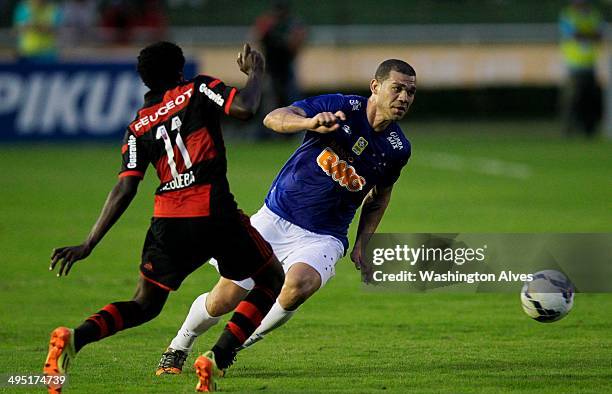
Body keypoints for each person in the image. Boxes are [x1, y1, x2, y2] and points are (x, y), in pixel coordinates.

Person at [44, 41, 285, 393]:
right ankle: (216, 359)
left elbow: (124, 190)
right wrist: (257, 71)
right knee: (270, 279)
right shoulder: (198, 88)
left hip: (168, 221)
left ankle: (74, 339)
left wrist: (89, 243)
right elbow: (246, 108)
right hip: (214, 211)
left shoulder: (138, 127)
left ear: (145, 81)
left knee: (144, 304)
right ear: (179, 69)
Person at [156, 59, 416, 375]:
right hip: (276, 217)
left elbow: (380, 196)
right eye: (397, 88)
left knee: (298, 285)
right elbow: (274, 118)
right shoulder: (340, 106)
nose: (403, 98)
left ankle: (224, 351)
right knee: (224, 298)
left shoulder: (397, 148)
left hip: (324, 235)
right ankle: (179, 346)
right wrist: (308, 124)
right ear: (376, 87)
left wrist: (363, 242)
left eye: (410, 92)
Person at [559, 0, 604, 138]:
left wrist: (583, 34)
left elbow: (599, 35)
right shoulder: (567, 14)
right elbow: (573, 35)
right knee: (573, 99)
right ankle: (568, 130)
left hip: (590, 64)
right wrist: (589, 34)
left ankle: (589, 131)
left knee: (590, 99)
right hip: (574, 64)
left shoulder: (594, 14)